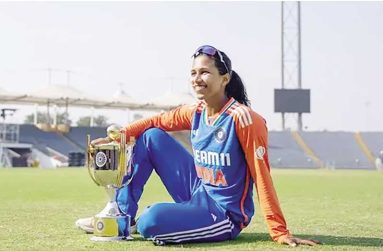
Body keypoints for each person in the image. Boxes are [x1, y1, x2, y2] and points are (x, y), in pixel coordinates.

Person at [77, 45, 320, 246]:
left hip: (223, 212)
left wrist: (278, 230)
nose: (197, 79)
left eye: (204, 72)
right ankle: (120, 216)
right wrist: (117, 137)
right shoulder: (196, 111)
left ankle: (146, 221)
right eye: (193, 73)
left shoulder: (244, 119)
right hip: (197, 191)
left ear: (225, 78)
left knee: (150, 221)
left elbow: (261, 175)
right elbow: (155, 121)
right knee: (151, 136)